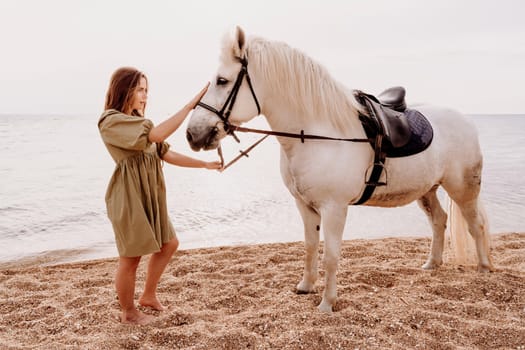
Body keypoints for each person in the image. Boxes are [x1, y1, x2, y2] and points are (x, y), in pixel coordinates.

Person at [98, 67, 222, 325]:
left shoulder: (138, 123)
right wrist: (190, 106)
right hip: (130, 197)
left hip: (150, 195)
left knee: (169, 243)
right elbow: (155, 135)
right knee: (130, 258)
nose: (145, 96)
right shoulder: (110, 121)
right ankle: (129, 313)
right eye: (140, 89)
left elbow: (165, 152)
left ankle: (148, 296)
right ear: (124, 89)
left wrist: (205, 164)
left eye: (147, 90)